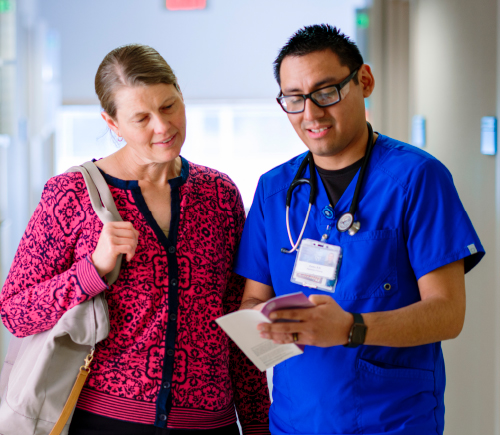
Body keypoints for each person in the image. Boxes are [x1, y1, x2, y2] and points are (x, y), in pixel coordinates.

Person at [0, 44, 270, 435]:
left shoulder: (219, 193)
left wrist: (258, 422)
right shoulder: (70, 193)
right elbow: (15, 312)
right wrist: (91, 271)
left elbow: (238, 312)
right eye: (141, 117)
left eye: (169, 106)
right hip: (104, 420)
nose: (162, 126)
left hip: (210, 423)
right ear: (112, 123)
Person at [234, 24, 484, 435]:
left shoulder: (417, 179)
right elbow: (254, 298)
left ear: (363, 81)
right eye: (294, 99)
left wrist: (353, 328)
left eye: (326, 92)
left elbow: (448, 313)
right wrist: (262, 323)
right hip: (296, 420)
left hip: (393, 421)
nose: (310, 114)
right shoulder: (273, 191)